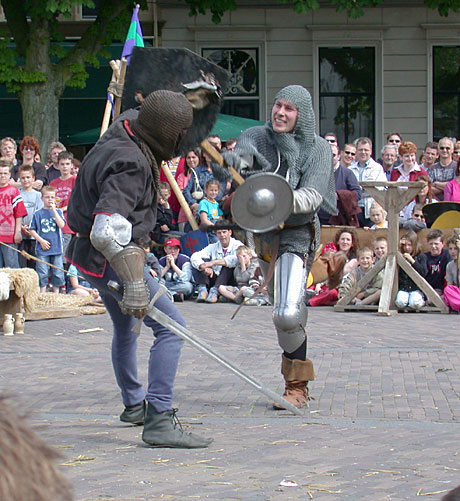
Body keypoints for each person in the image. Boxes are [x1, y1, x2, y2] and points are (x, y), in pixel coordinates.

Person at [66, 89, 213, 449]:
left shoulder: (127, 124)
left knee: (127, 328)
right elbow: (106, 230)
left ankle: (135, 404)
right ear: (167, 133)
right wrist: (134, 283)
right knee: (173, 328)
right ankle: (159, 417)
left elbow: (147, 107)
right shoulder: (130, 163)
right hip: (111, 258)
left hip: (87, 257)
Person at [213, 85, 336, 408]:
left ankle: (296, 386)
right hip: (264, 236)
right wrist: (229, 162)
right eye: (277, 105)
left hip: (297, 233)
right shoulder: (256, 135)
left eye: (289, 109)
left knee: (286, 313)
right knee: (283, 307)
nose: (280, 113)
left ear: (302, 115)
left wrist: (278, 201)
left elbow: (312, 196)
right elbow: (244, 159)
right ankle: (295, 356)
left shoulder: (319, 149)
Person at [190, 221, 244, 303]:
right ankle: (203, 290)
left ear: (230, 232)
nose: (222, 235)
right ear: (216, 234)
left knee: (227, 266)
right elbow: (195, 256)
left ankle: (215, 291)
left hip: (230, 280)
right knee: (202, 264)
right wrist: (203, 266)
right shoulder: (213, 246)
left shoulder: (237, 245)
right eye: (219, 233)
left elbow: (234, 260)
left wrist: (213, 263)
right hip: (216, 278)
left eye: (224, 232)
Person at [29, 186, 66, 292]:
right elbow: (32, 229)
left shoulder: (58, 212)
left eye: (52, 197)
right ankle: (42, 292)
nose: (50, 199)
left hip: (57, 247)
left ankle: (56, 293)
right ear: (42, 198)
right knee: (42, 271)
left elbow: (62, 225)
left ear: (55, 199)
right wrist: (41, 241)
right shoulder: (37, 213)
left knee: (57, 271)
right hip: (42, 248)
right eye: (47, 197)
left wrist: (54, 210)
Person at [349, 137, 387, 227]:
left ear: (371, 151)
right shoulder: (350, 169)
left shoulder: (377, 168)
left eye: (366, 150)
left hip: (371, 210)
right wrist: (364, 189)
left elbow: (379, 188)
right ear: (356, 151)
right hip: (354, 209)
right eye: (360, 150)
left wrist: (357, 190)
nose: (363, 152)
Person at [0, 157, 27, 268]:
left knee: (11, 266)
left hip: (9, 235)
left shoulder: (13, 191)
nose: (2, 176)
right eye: (0, 173)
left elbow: (19, 213)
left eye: (5, 173)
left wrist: (18, 231)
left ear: (10, 175)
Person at [50, 151, 76, 258]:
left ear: (72, 165)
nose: (65, 167)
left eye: (67, 164)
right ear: (58, 165)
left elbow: (77, 200)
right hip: (55, 222)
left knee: (66, 256)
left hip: (70, 222)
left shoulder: (75, 180)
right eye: (62, 164)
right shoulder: (53, 183)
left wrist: (63, 208)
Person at [18, 165, 44, 268]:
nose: (25, 180)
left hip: (34, 235)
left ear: (33, 178)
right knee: (22, 262)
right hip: (21, 234)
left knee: (34, 262)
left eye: (28, 177)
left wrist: (31, 226)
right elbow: (15, 213)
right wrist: (21, 227)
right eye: (23, 178)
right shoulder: (17, 194)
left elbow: (39, 212)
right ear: (20, 179)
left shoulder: (38, 195)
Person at [394, 230, 427, 310]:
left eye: (410, 245)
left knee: (414, 303)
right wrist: (398, 245)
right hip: (404, 288)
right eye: (404, 245)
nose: (407, 248)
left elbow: (423, 272)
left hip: (416, 288)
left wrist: (412, 261)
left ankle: (423, 301)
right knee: (400, 303)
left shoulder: (421, 256)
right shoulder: (400, 256)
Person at [177, 148, 201, 231]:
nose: (191, 160)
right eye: (188, 157)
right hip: (185, 216)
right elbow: (180, 194)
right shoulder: (181, 177)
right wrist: (193, 204)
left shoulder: (203, 175)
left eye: (193, 157)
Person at [424, 229, 452, 295]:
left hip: (443, 290)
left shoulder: (448, 255)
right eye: (431, 244)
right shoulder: (424, 257)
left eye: (436, 244)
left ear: (443, 244)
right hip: (427, 290)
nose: (433, 246)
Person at [444, 235, 460, 313]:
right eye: (450, 249)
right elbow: (449, 284)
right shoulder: (450, 265)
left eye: (456, 249)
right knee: (447, 290)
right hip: (457, 293)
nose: (453, 252)